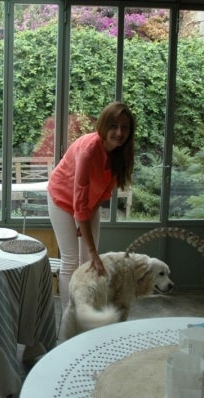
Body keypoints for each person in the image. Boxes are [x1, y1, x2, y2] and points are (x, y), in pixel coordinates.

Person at [47, 101, 135, 311]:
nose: (119, 132)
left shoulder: (121, 154)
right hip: (61, 198)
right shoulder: (89, 150)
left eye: (124, 127)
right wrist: (94, 250)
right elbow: (79, 205)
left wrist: (88, 241)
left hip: (87, 203)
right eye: (113, 126)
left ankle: (85, 308)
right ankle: (72, 315)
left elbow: (101, 194)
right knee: (71, 260)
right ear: (104, 125)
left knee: (87, 261)